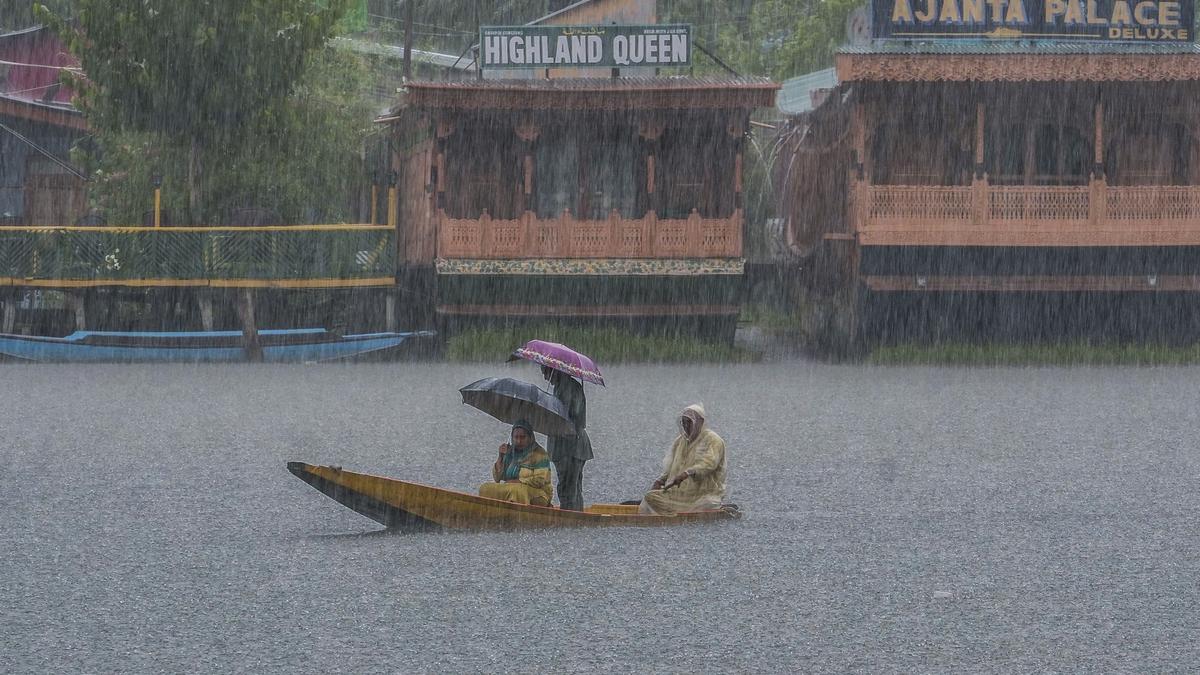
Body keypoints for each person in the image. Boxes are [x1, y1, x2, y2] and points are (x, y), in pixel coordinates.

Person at [639, 404, 726, 516]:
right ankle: (676, 513)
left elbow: (709, 464)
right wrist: (660, 480)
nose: (686, 426)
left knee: (708, 503)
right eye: (683, 422)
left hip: (702, 494)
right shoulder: (680, 441)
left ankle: (673, 515)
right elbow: (671, 466)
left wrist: (687, 473)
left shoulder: (713, 440)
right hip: (678, 493)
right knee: (650, 496)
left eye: (689, 422)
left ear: (701, 421)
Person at [543, 365, 593, 510]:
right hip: (568, 446)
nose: (545, 377)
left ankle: (572, 520)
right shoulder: (561, 387)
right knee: (571, 488)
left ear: (554, 370)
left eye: (546, 372)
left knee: (569, 489)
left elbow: (574, 417)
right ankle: (574, 518)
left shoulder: (568, 388)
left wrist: (550, 413)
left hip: (571, 447)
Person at [478, 420, 553, 506]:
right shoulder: (510, 452)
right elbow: (497, 478)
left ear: (530, 437)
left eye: (522, 437)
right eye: (516, 437)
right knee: (485, 488)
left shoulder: (540, 454)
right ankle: (491, 514)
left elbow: (539, 481)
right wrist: (501, 457)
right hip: (512, 489)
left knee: (517, 491)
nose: (518, 441)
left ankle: (518, 516)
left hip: (539, 495)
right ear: (512, 437)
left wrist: (518, 481)